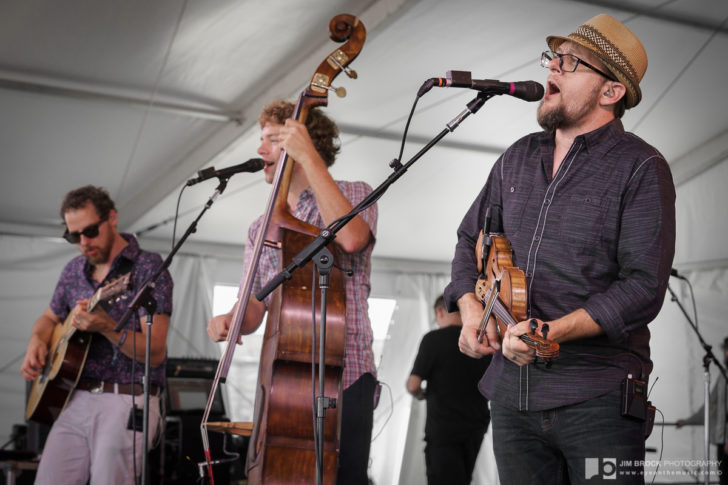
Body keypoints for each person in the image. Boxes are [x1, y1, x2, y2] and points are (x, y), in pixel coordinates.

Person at [444, 14, 676, 484]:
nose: (552, 69)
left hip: (598, 398)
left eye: (571, 63)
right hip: (511, 399)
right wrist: (470, 311)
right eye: (554, 57)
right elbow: (470, 239)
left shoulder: (642, 166)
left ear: (610, 92)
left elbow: (643, 287)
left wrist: (551, 331)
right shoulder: (517, 156)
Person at [206, 99, 378, 484]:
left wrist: (309, 157)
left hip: (347, 372)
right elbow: (254, 306)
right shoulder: (260, 227)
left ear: (301, 142)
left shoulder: (354, 192)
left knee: (346, 477)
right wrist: (230, 320)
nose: (260, 149)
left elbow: (351, 238)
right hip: (285, 380)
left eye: (271, 139)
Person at [20, 185, 173, 484]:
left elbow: (155, 352)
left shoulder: (147, 267)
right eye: (73, 236)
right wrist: (37, 340)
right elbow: (49, 318)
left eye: (90, 230)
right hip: (73, 398)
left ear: (112, 218)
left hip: (126, 398)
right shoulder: (73, 270)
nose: (84, 242)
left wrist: (106, 326)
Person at [407, 295, 491, 485]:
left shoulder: (433, 340)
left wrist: (421, 394)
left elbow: (413, 384)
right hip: (475, 426)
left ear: (439, 311)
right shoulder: (481, 341)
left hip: (443, 429)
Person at [676, 336, 728, 484]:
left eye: (727, 349)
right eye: (725, 350)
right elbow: (710, 407)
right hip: (722, 441)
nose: (725, 353)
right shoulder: (723, 377)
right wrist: (686, 422)